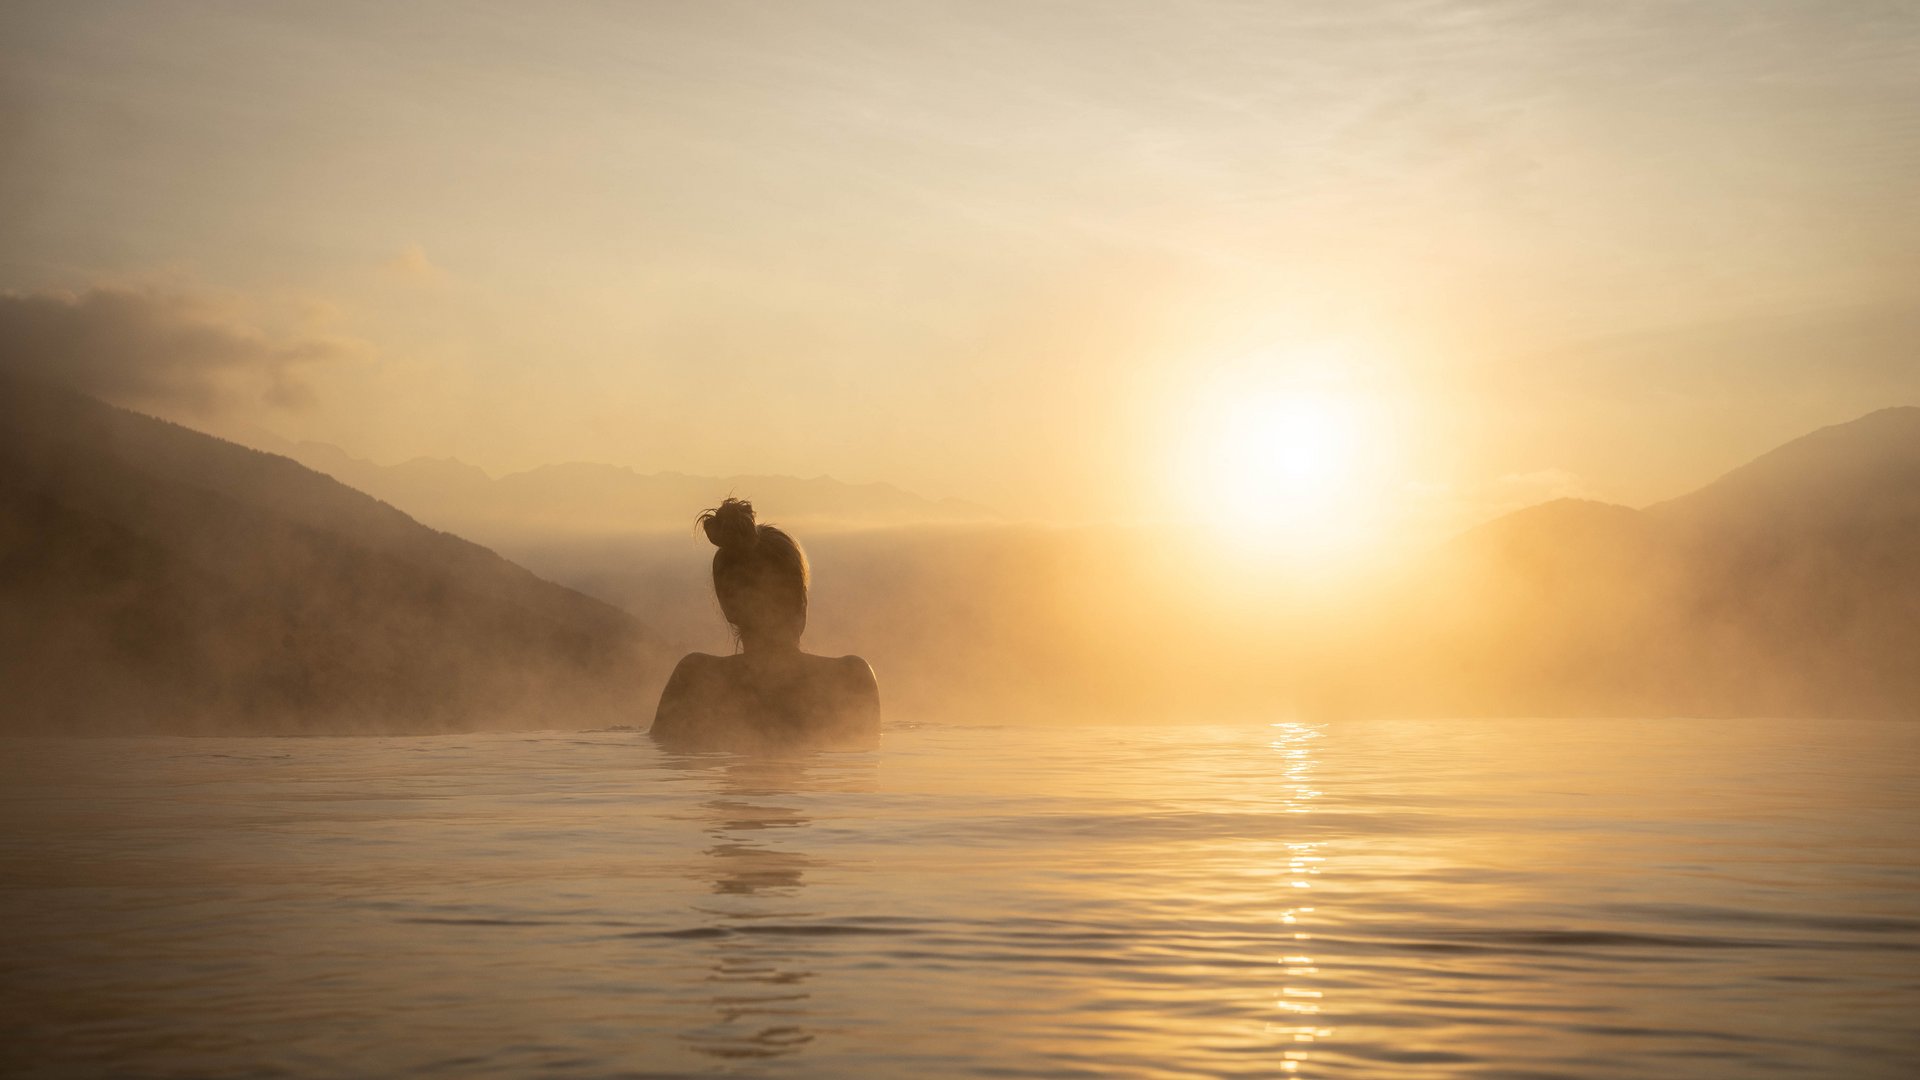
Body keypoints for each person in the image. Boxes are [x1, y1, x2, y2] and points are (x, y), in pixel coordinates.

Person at [650, 498, 880, 751]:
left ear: (728, 604)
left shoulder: (696, 679)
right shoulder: (850, 679)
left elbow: (663, 765)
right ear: (802, 601)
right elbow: (863, 779)